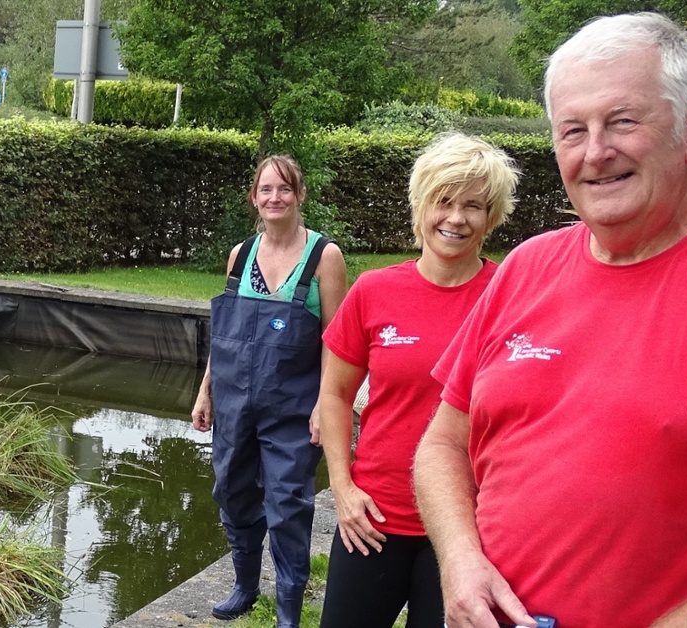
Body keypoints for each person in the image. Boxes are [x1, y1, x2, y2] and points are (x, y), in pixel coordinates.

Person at [413, 12, 687, 628]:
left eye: (622, 121)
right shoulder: (526, 267)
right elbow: (441, 444)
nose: (595, 152)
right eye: (573, 130)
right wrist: (460, 564)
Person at [317, 133, 520, 628]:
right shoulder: (374, 291)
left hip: (464, 532)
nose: (455, 218)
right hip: (373, 522)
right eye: (443, 201)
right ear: (421, 206)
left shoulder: (511, 295)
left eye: (473, 205)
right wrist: (342, 488)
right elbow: (335, 393)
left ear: (491, 217)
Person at [192, 154, 348, 627]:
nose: (274, 198)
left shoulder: (325, 257)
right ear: (254, 199)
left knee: (287, 506)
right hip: (235, 403)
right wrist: (206, 393)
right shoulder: (240, 255)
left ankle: (288, 611)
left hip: (294, 408)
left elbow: (337, 343)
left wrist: (326, 403)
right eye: (265, 190)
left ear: (300, 194)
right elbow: (224, 336)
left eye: (284, 189)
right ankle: (244, 586)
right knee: (233, 492)